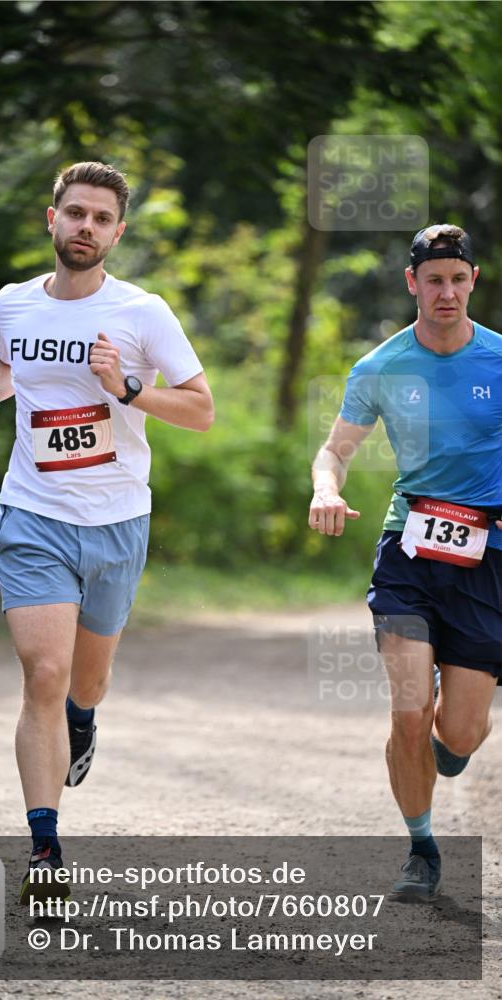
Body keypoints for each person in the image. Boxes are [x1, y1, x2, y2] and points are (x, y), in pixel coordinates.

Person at [0, 161, 214, 904]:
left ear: (117, 233)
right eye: (75, 213)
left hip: (115, 524)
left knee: (84, 680)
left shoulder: (143, 313)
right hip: (33, 516)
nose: (85, 228)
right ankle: (44, 848)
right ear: (53, 219)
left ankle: (84, 716)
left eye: (101, 219)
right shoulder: (13, 303)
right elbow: (6, 363)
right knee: (42, 673)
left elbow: (201, 411)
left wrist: (128, 388)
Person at [308, 224, 501, 902]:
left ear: (471, 280)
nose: (444, 291)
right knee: (408, 711)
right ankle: (420, 849)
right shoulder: (380, 368)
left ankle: (453, 744)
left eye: (456, 278)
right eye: (432, 279)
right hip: (408, 550)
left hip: (486, 559)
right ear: (411, 284)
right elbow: (334, 450)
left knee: (459, 731)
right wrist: (325, 488)